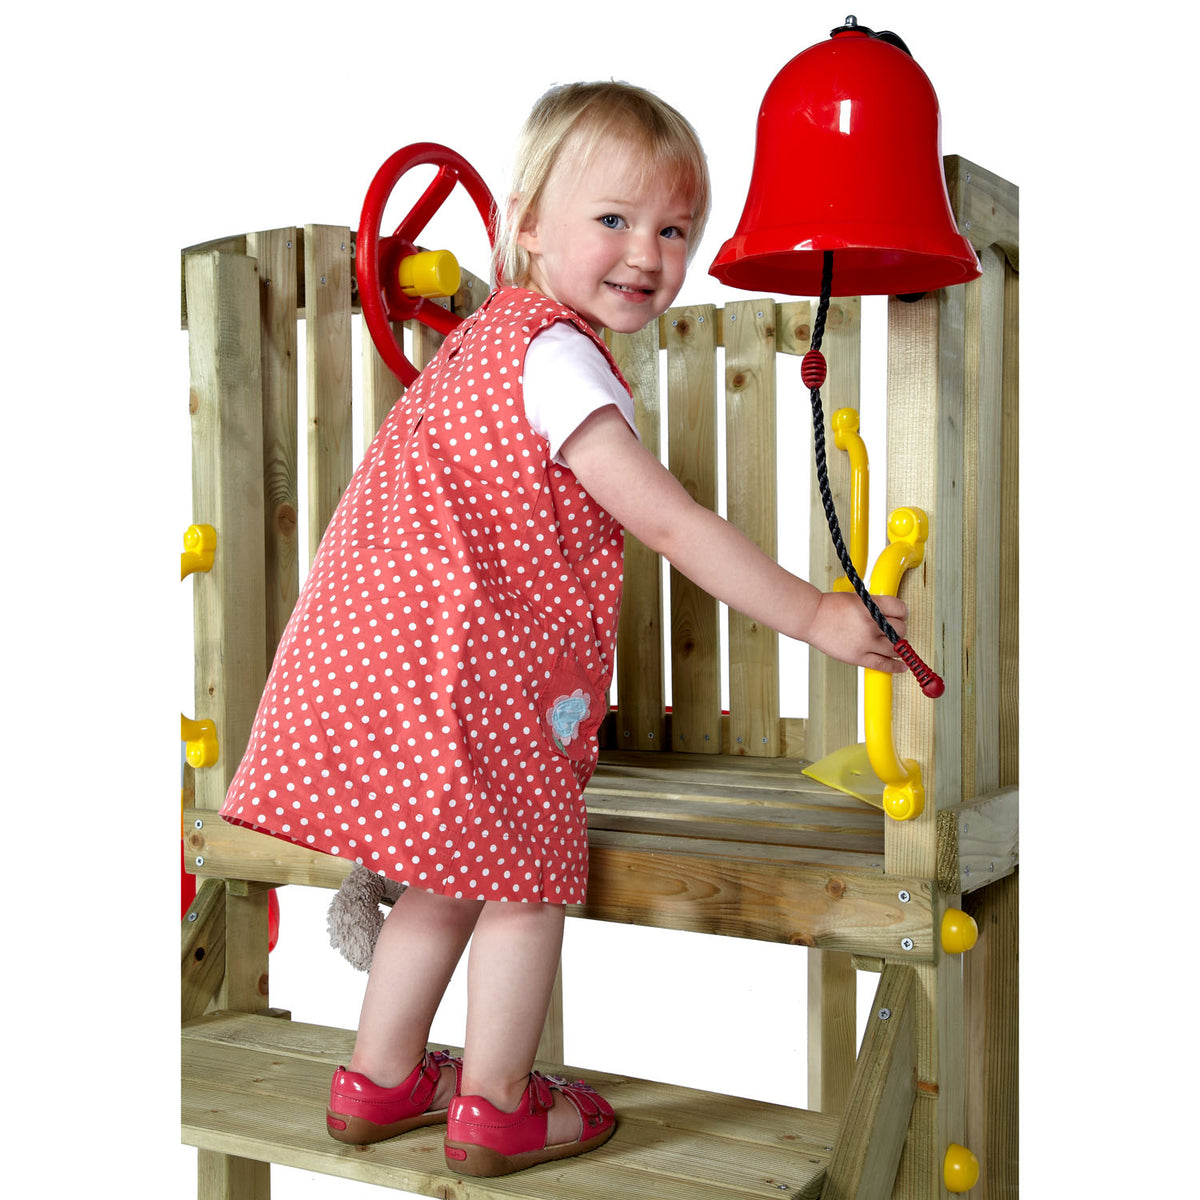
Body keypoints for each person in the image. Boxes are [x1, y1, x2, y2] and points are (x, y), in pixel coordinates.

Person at [220, 79, 907, 1178]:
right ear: (526, 223)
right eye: (614, 220)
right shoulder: (560, 360)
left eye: (674, 228)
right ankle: (496, 1103)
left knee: (444, 878)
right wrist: (818, 613)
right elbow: (673, 524)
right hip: (478, 680)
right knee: (527, 884)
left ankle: (379, 1076)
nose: (649, 252)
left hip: (397, 671)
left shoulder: (481, 348)